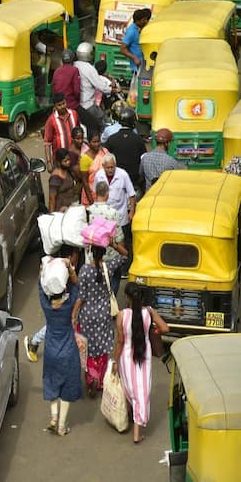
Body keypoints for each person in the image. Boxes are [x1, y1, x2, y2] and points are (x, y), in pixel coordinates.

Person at [113, 283, 169, 444]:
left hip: (126, 356)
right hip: (144, 355)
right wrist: (153, 331)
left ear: (128, 297)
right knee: (141, 390)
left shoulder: (122, 315)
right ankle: (137, 432)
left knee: (129, 387)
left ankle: (130, 417)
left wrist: (115, 361)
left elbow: (120, 341)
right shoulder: (149, 312)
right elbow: (165, 328)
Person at [72, 242, 128, 396]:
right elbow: (125, 255)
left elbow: (81, 297)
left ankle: (91, 378)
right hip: (104, 315)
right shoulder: (108, 267)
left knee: (88, 348)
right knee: (103, 348)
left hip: (87, 316)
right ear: (104, 252)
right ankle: (100, 379)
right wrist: (113, 244)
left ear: (90, 251)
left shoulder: (84, 270)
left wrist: (74, 314)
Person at [39, 255, 82, 436]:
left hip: (50, 351)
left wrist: (46, 267)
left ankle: (54, 417)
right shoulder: (70, 302)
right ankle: (62, 426)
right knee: (67, 387)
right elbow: (77, 284)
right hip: (69, 351)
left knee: (52, 383)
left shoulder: (45, 304)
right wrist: (69, 267)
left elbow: (41, 283)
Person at [93, 154, 136, 276]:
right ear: (103, 166)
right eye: (108, 168)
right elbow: (96, 193)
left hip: (121, 217)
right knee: (106, 244)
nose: (110, 170)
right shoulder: (99, 175)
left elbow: (131, 194)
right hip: (105, 217)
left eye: (112, 167)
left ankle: (123, 269)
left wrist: (132, 211)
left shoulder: (123, 175)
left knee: (122, 244)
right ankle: (107, 267)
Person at [87, 181, 128, 293]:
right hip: (111, 259)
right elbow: (119, 238)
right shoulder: (113, 213)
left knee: (95, 289)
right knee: (112, 289)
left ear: (95, 193)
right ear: (107, 194)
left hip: (93, 258)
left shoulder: (88, 211)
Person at [104, 107, 146, 192]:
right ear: (133, 122)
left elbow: (105, 159)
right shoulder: (138, 139)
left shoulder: (111, 139)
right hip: (134, 182)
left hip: (115, 182)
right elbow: (143, 160)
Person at [74, 42, 111, 136]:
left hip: (77, 105)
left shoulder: (74, 64)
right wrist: (112, 89)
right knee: (107, 123)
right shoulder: (90, 68)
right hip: (88, 105)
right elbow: (102, 87)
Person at [44, 94, 80, 171]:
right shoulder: (51, 120)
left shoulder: (74, 114)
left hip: (74, 157)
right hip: (60, 161)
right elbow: (47, 143)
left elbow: (79, 133)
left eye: (63, 103)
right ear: (55, 106)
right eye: (59, 105)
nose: (62, 106)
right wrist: (49, 162)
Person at [79, 132, 109, 206]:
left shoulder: (104, 152)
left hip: (105, 192)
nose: (97, 144)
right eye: (94, 142)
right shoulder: (85, 158)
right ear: (89, 143)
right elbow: (85, 182)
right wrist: (91, 202)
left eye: (98, 141)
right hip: (91, 194)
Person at [120, 8, 151, 73]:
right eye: (143, 20)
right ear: (137, 21)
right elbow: (122, 49)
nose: (146, 21)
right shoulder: (131, 32)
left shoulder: (139, 28)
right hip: (136, 67)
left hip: (145, 66)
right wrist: (134, 58)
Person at [48, 148, 78, 213]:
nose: (68, 162)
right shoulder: (55, 178)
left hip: (71, 207)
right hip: (60, 210)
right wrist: (52, 216)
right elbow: (52, 199)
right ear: (59, 162)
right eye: (65, 161)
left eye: (69, 159)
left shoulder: (68, 171)